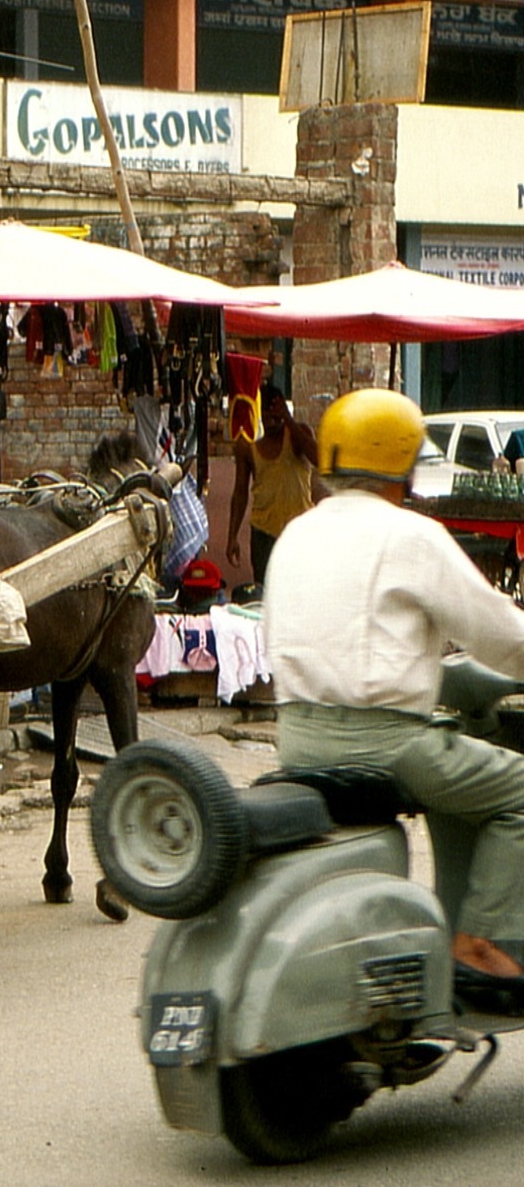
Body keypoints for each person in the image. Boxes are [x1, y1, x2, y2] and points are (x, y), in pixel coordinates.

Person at [264, 388, 524, 999]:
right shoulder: (413, 536)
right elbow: (500, 636)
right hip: (386, 748)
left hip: (296, 742)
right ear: (399, 467)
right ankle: (478, 941)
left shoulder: (296, 534)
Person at [226, 384, 320, 584]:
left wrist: (289, 420)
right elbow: (240, 492)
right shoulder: (247, 445)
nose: (270, 423)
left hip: (299, 530)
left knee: (301, 587)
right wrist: (232, 536)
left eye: (275, 417)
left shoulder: (298, 434)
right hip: (263, 533)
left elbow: (318, 459)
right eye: (266, 417)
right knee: (264, 591)